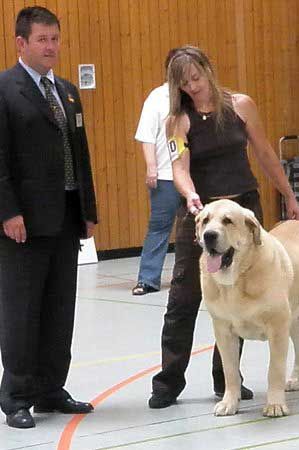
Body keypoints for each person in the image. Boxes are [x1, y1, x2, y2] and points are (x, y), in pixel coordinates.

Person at [148, 45, 299, 409]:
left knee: (241, 293)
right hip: (201, 214)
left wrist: (289, 195)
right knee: (184, 297)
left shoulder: (241, 105)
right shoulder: (177, 121)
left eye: (197, 78)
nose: (193, 87)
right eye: (184, 83)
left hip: (243, 210)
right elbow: (180, 169)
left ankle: (227, 382)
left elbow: (264, 152)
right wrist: (190, 196)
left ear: (208, 69)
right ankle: (168, 382)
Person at [0, 6, 97, 429]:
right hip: (23, 221)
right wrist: (8, 211)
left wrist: (88, 209)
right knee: (23, 311)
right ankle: (17, 396)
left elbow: (79, 155)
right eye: (43, 40)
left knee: (60, 309)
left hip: (64, 215)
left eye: (56, 39)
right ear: (21, 43)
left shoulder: (65, 91)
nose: (51, 47)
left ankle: (49, 388)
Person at [132, 49, 181, 295]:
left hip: (192, 176)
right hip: (165, 175)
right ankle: (148, 278)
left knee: (199, 229)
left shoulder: (193, 96)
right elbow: (146, 136)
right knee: (159, 227)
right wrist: (151, 167)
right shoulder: (157, 97)